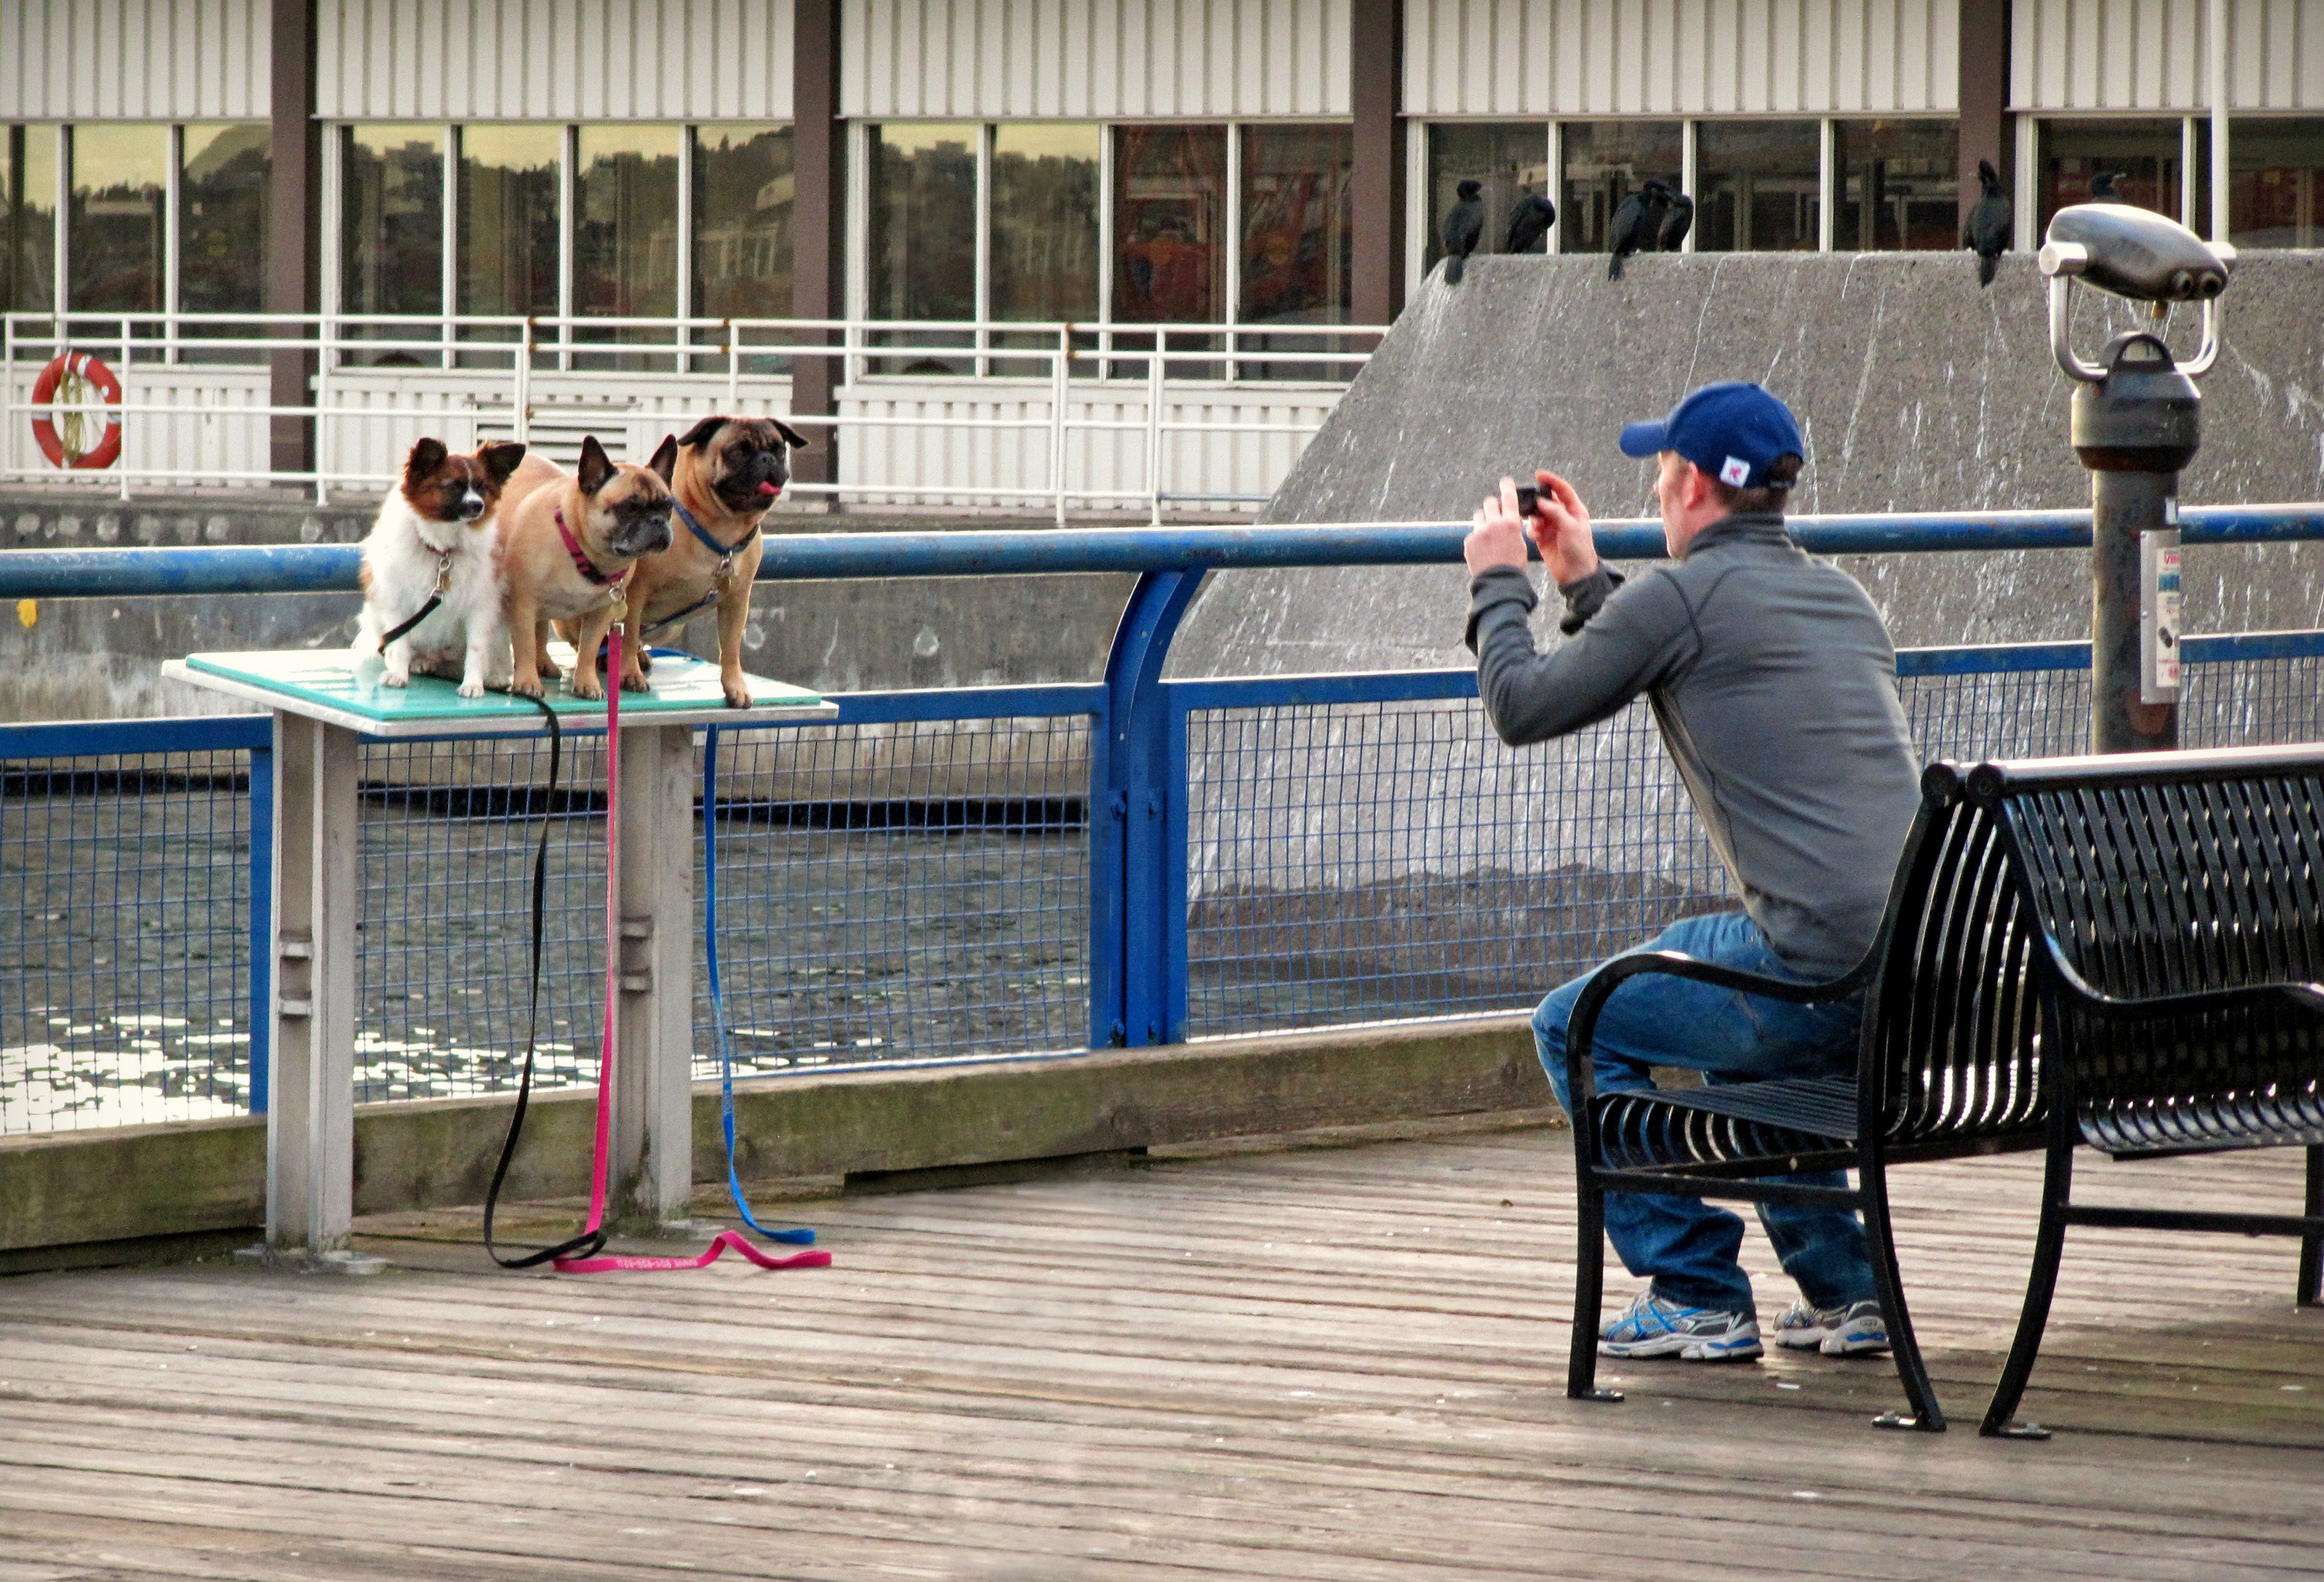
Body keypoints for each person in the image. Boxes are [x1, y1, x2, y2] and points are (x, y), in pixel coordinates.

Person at [1460, 381, 1923, 1364]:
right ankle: (1850, 1292)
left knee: (1572, 1025)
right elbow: (1698, 650)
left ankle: (1694, 1287)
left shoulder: (1682, 598)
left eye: (1662, 472)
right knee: (1737, 1018)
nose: (1657, 491)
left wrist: (1502, 581)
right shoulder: (1841, 599)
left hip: (1819, 978)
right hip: (1919, 971)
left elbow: (1522, 705)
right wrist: (1587, 583)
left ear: (1697, 488)